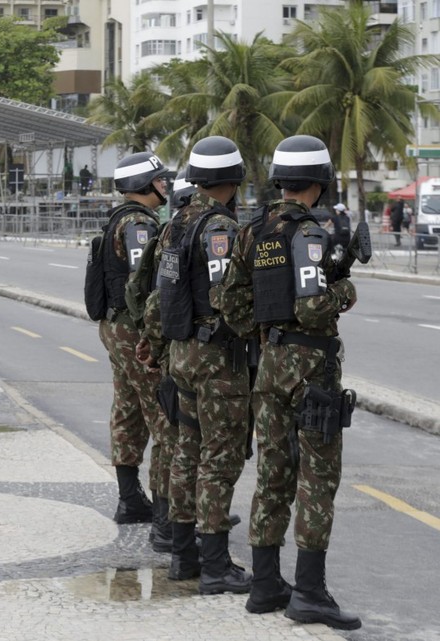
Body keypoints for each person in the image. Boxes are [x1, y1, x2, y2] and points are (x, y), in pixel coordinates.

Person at [217, 135, 360, 630]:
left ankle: (264, 584)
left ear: (281, 180)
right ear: (318, 183)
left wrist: (265, 332)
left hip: (269, 364)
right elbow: (312, 306)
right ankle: (311, 593)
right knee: (317, 479)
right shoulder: (310, 233)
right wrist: (343, 288)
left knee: (273, 476)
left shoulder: (250, 230)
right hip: (311, 369)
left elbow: (231, 305)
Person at [150, 136, 251, 592]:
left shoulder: (175, 222)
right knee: (220, 455)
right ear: (232, 179)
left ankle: (183, 554)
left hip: (180, 351)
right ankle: (214, 563)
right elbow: (225, 297)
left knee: (186, 451)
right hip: (215, 357)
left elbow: (158, 294)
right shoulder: (220, 228)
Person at [97, 152, 172, 525]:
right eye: (159, 179)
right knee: (162, 413)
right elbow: (143, 286)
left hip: (116, 327)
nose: (165, 185)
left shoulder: (120, 220)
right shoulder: (139, 225)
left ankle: (130, 499)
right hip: (134, 330)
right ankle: (165, 511)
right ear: (142, 185)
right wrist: (154, 336)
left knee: (127, 409)